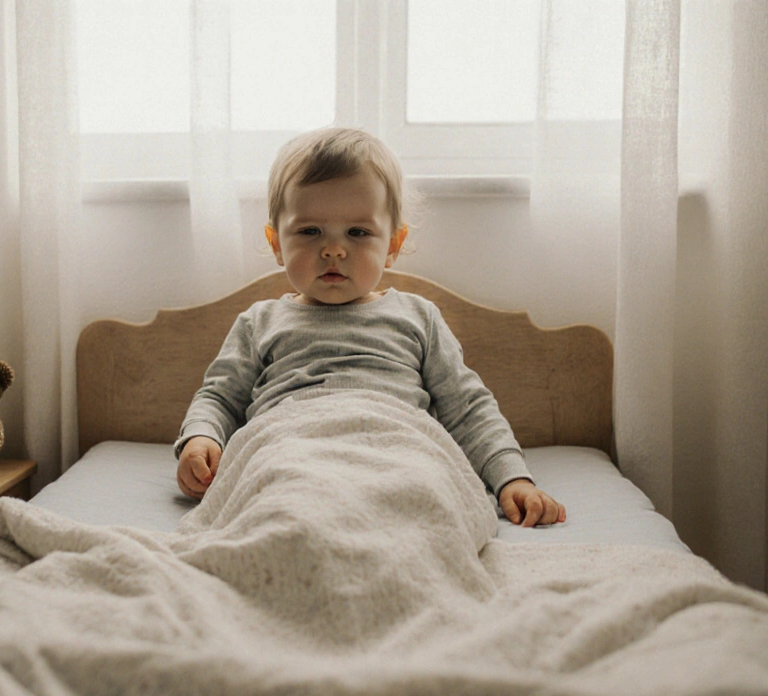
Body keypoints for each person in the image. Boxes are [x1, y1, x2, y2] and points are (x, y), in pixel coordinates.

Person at [174, 127, 565, 527]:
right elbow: (220, 398)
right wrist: (201, 438)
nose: (333, 249)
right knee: (276, 493)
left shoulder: (417, 317)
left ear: (393, 245)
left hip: (395, 442)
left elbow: (467, 411)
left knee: (430, 490)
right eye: (310, 232)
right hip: (292, 443)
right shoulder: (259, 322)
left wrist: (511, 478)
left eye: (358, 233)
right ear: (276, 243)